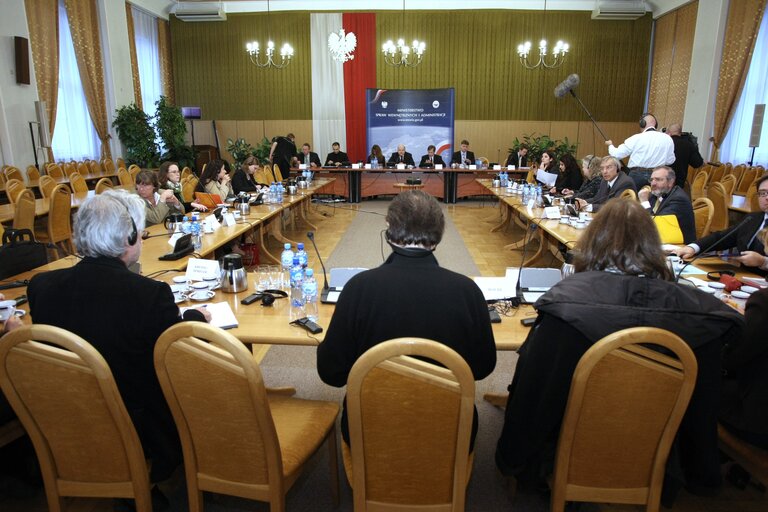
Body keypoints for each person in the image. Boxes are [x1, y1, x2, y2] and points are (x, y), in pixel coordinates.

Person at [495, 198, 744, 494]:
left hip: (574, 436)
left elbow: (535, 391)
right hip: (658, 441)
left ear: (592, 243)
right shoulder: (702, 312)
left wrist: (509, 457)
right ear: (653, 245)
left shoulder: (565, 303)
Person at [27, 190, 211, 484]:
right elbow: (175, 352)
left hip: (66, 418)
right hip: (138, 426)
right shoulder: (148, 295)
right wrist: (194, 317)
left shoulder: (41, 287)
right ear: (128, 238)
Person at [317, 190, 497, 448]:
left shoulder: (358, 289)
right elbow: (483, 368)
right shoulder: (467, 291)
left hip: (369, 429)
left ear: (388, 231)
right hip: (450, 432)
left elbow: (331, 374)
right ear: (439, 236)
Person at [719, 228, 768, 450]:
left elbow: (732, 359)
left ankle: (700, 472)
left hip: (757, 422)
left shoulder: (763, 303)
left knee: (694, 383)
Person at [674, 174, 768, 274]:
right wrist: (693, 248)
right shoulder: (753, 218)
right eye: (763, 193)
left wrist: (763, 261)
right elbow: (722, 237)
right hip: (744, 277)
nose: (767, 197)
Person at [606, 113, 675, 189]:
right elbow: (670, 160)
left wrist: (610, 145)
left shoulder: (636, 138)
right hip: (657, 175)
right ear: (656, 125)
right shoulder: (667, 139)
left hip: (637, 175)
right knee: (654, 200)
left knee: (632, 199)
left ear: (642, 124)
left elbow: (616, 154)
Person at [638, 166, 696, 244]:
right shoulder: (655, 194)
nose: (653, 183)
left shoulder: (678, 199)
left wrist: (644, 202)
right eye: (651, 180)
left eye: (658, 179)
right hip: (658, 240)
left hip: (679, 246)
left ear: (670, 182)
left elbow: (655, 226)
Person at [667, 124, 704, 188]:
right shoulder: (688, 144)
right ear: (680, 132)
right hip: (679, 182)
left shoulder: (664, 142)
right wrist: (695, 146)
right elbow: (698, 163)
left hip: (663, 178)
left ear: (669, 133)